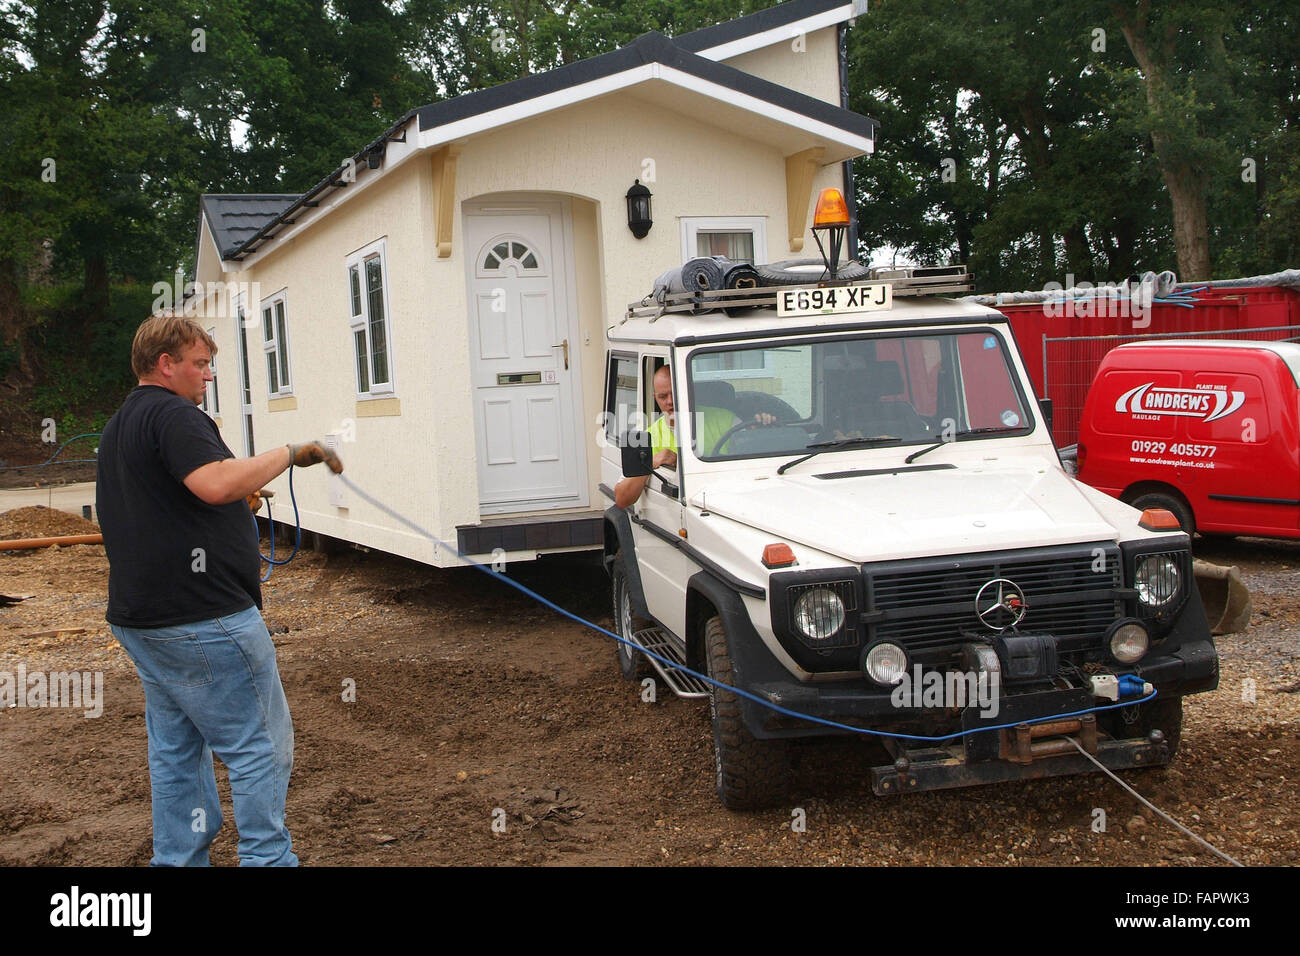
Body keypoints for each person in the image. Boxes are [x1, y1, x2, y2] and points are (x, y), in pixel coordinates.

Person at [96, 311, 342, 866]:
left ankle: (178, 860)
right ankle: (267, 859)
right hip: (202, 619)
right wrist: (289, 453)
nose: (208, 376)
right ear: (166, 365)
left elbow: (170, 498)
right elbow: (212, 483)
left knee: (177, 750)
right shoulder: (175, 414)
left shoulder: (122, 424)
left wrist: (238, 497)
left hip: (143, 619)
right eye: (200, 365)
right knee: (259, 746)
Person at [614, 366, 766, 509]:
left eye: (675, 394)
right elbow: (622, 499)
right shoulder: (647, 435)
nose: (670, 402)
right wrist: (651, 462)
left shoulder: (725, 418)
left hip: (733, 498)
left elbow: (760, 457)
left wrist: (765, 427)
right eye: (662, 396)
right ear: (655, 398)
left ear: (687, 391)